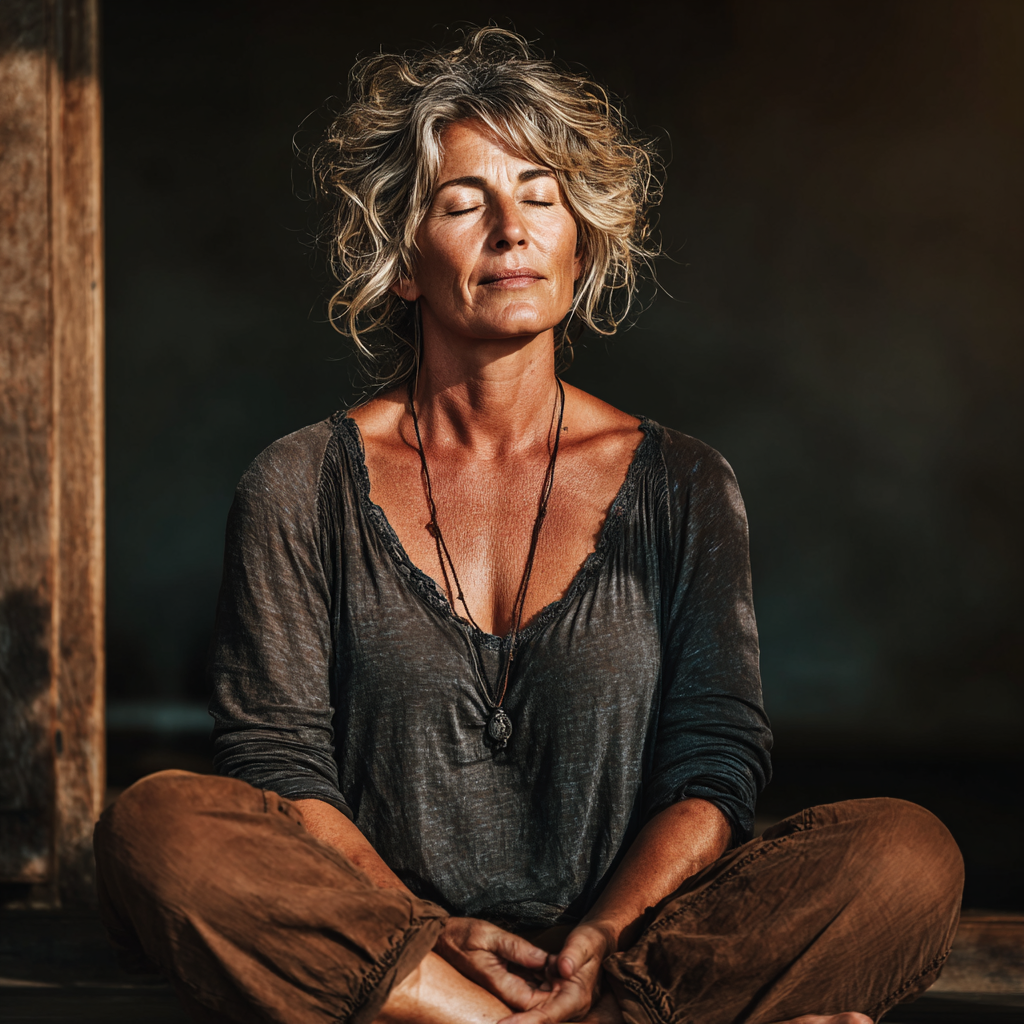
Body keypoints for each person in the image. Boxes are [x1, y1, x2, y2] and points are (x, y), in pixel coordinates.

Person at [93, 27, 963, 1024]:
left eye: (541, 199)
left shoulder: (682, 482)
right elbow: (280, 768)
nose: (511, 230)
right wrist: (424, 931)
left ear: (578, 248)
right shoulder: (299, 484)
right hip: (392, 944)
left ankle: (592, 1009)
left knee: (906, 856)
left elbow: (711, 769)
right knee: (154, 827)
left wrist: (603, 937)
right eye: (464, 204)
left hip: (627, 952)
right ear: (404, 263)